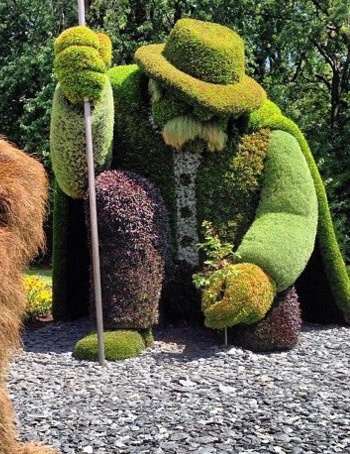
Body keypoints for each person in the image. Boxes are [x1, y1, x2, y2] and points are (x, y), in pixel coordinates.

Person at [50, 17, 350, 355]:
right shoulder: (118, 97)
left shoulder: (270, 133)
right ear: (160, 82)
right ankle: (127, 321)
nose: (200, 114)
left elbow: (289, 212)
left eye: (213, 105)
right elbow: (78, 180)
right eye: (185, 97)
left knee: (273, 336)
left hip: (227, 273)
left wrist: (259, 271)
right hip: (145, 280)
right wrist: (78, 101)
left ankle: (243, 298)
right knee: (117, 191)